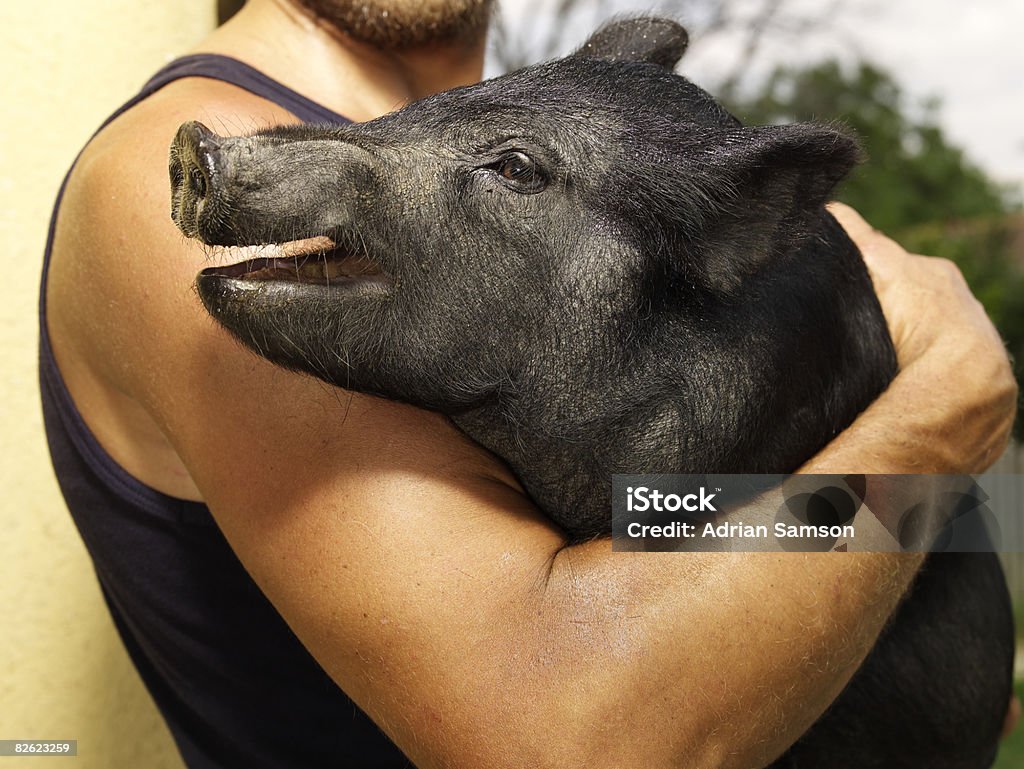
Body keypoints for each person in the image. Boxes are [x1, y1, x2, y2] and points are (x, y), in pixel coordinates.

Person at [39, 1, 1018, 767]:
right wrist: (935, 424)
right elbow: (579, 738)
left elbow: (681, 513)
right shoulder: (170, 181)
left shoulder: (566, 149)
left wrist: (893, 516)